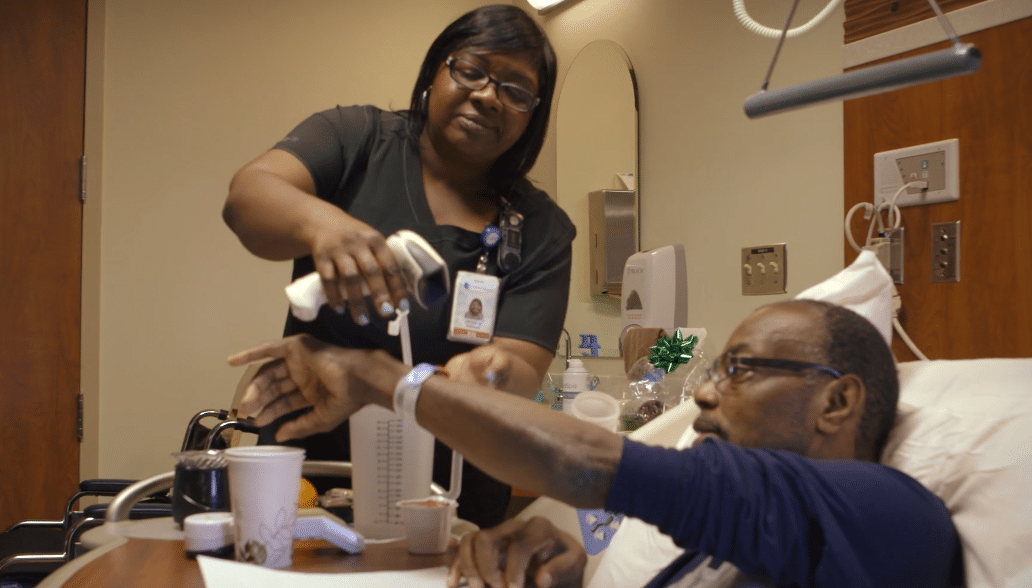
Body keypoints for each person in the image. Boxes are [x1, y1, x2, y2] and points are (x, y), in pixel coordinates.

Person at [227, 299, 963, 588]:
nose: (705, 392)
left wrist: (380, 376)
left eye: (738, 372)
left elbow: (587, 460)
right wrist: (571, 576)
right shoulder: (719, 546)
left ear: (838, 400)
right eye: (710, 370)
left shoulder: (888, 512)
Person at [221, 5, 572, 529]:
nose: (487, 95)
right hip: (309, 476)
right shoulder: (358, 138)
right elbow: (247, 199)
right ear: (435, 71)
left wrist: (488, 374)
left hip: (453, 499)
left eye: (515, 91)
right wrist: (326, 226)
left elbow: (519, 369)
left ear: (532, 118)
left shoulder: (541, 227)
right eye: (471, 70)